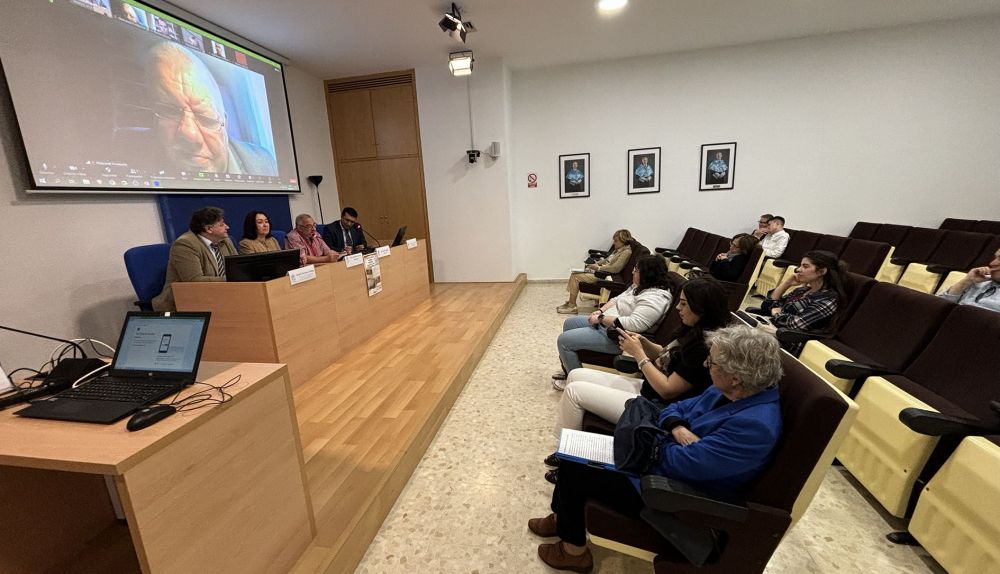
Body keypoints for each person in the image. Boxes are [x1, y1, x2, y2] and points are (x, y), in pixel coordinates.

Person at [529, 324, 783, 572]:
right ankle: (561, 518)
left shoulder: (755, 426)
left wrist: (655, 437)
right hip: (662, 463)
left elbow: (681, 464)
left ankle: (574, 552)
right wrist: (676, 427)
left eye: (712, 363)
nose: (706, 365)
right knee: (575, 451)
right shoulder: (730, 390)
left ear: (737, 377)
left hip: (677, 495)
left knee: (576, 469)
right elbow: (672, 409)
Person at [548, 279, 730, 483]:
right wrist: (643, 343)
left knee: (574, 393)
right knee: (575, 376)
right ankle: (567, 447)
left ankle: (568, 464)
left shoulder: (703, 347)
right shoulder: (690, 330)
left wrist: (639, 355)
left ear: (702, 309)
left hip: (655, 407)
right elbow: (665, 354)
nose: (678, 307)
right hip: (648, 389)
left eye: (684, 304)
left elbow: (667, 390)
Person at [147, 42, 278, 176]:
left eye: (206, 118)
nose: (190, 134)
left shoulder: (264, 161)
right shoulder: (141, 159)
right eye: (170, 111)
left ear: (225, 125)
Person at [553, 255, 673, 386]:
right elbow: (616, 299)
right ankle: (569, 366)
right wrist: (600, 311)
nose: (632, 272)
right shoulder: (640, 286)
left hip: (616, 336)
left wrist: (601, 318)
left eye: (636, 270)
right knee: (569, 323)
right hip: (606, 323)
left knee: (564, 341)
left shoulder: (655, 298)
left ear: (648, 274)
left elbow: (634, 324)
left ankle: (574, 383)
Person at [760, 250, 849, 355]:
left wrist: (777, 313)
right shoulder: (802, 290)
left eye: (805, 266)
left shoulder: (828, 299)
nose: (798, 270)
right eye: (800, 266)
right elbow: (767, 306)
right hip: (771, 331)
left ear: (821, 271)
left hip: (787, 342)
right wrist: (786, 284)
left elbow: (795, 325)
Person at [152, 206, 236, 312]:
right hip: (183, 302)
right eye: (221, 224)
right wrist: (232, 279)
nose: (227, 227)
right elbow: (194, 280)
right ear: (209, 229)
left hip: (218, 295)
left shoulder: (224, 240)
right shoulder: (185, 244)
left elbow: (237, 266)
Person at [558, 230, 634, 314]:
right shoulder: (618, 249)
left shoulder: (626, 252)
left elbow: (616, 268)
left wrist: (598, 268)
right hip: (602, 271)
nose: (613, 243)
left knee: (575, 276)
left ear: (623, 241)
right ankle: (570, 303)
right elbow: (607, 260)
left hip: (605, 276)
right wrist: (595, 264)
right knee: (575, 274)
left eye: (616, 241)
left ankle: (572, 306)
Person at [938, 247, 1000, 312]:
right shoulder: (979, 281)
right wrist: (966, 281)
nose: (992, 263)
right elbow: (939, 307)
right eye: (995, 258)